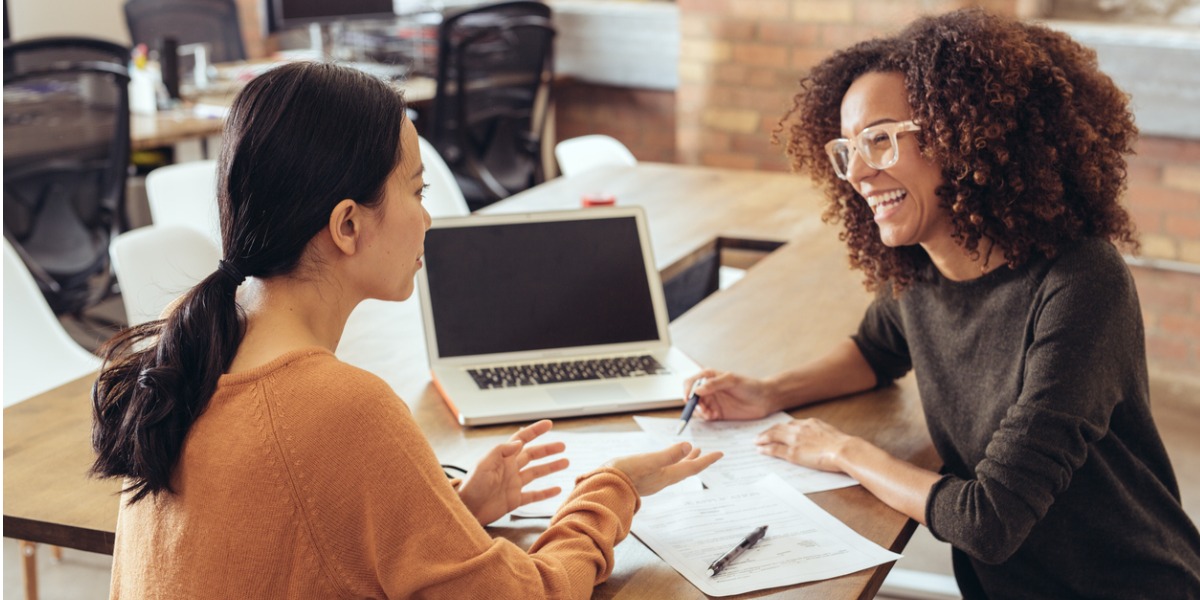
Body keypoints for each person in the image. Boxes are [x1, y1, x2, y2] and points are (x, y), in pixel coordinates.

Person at [90, 62, 721, 599]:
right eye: (417, 191)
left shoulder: (189, 351)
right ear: (347, 226)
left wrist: (452, 511)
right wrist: (611, 490)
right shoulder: (337, 407)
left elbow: (303, 547)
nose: (428, 218)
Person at [686, 9, 1200, 599]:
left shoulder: (1081, 281)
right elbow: (875, 350)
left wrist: (841, 450)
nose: (856, 172)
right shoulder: (923, 267)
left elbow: (987, 520)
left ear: (964, 134)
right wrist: (770, 392)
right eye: (846, 149)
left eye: (879, 139)